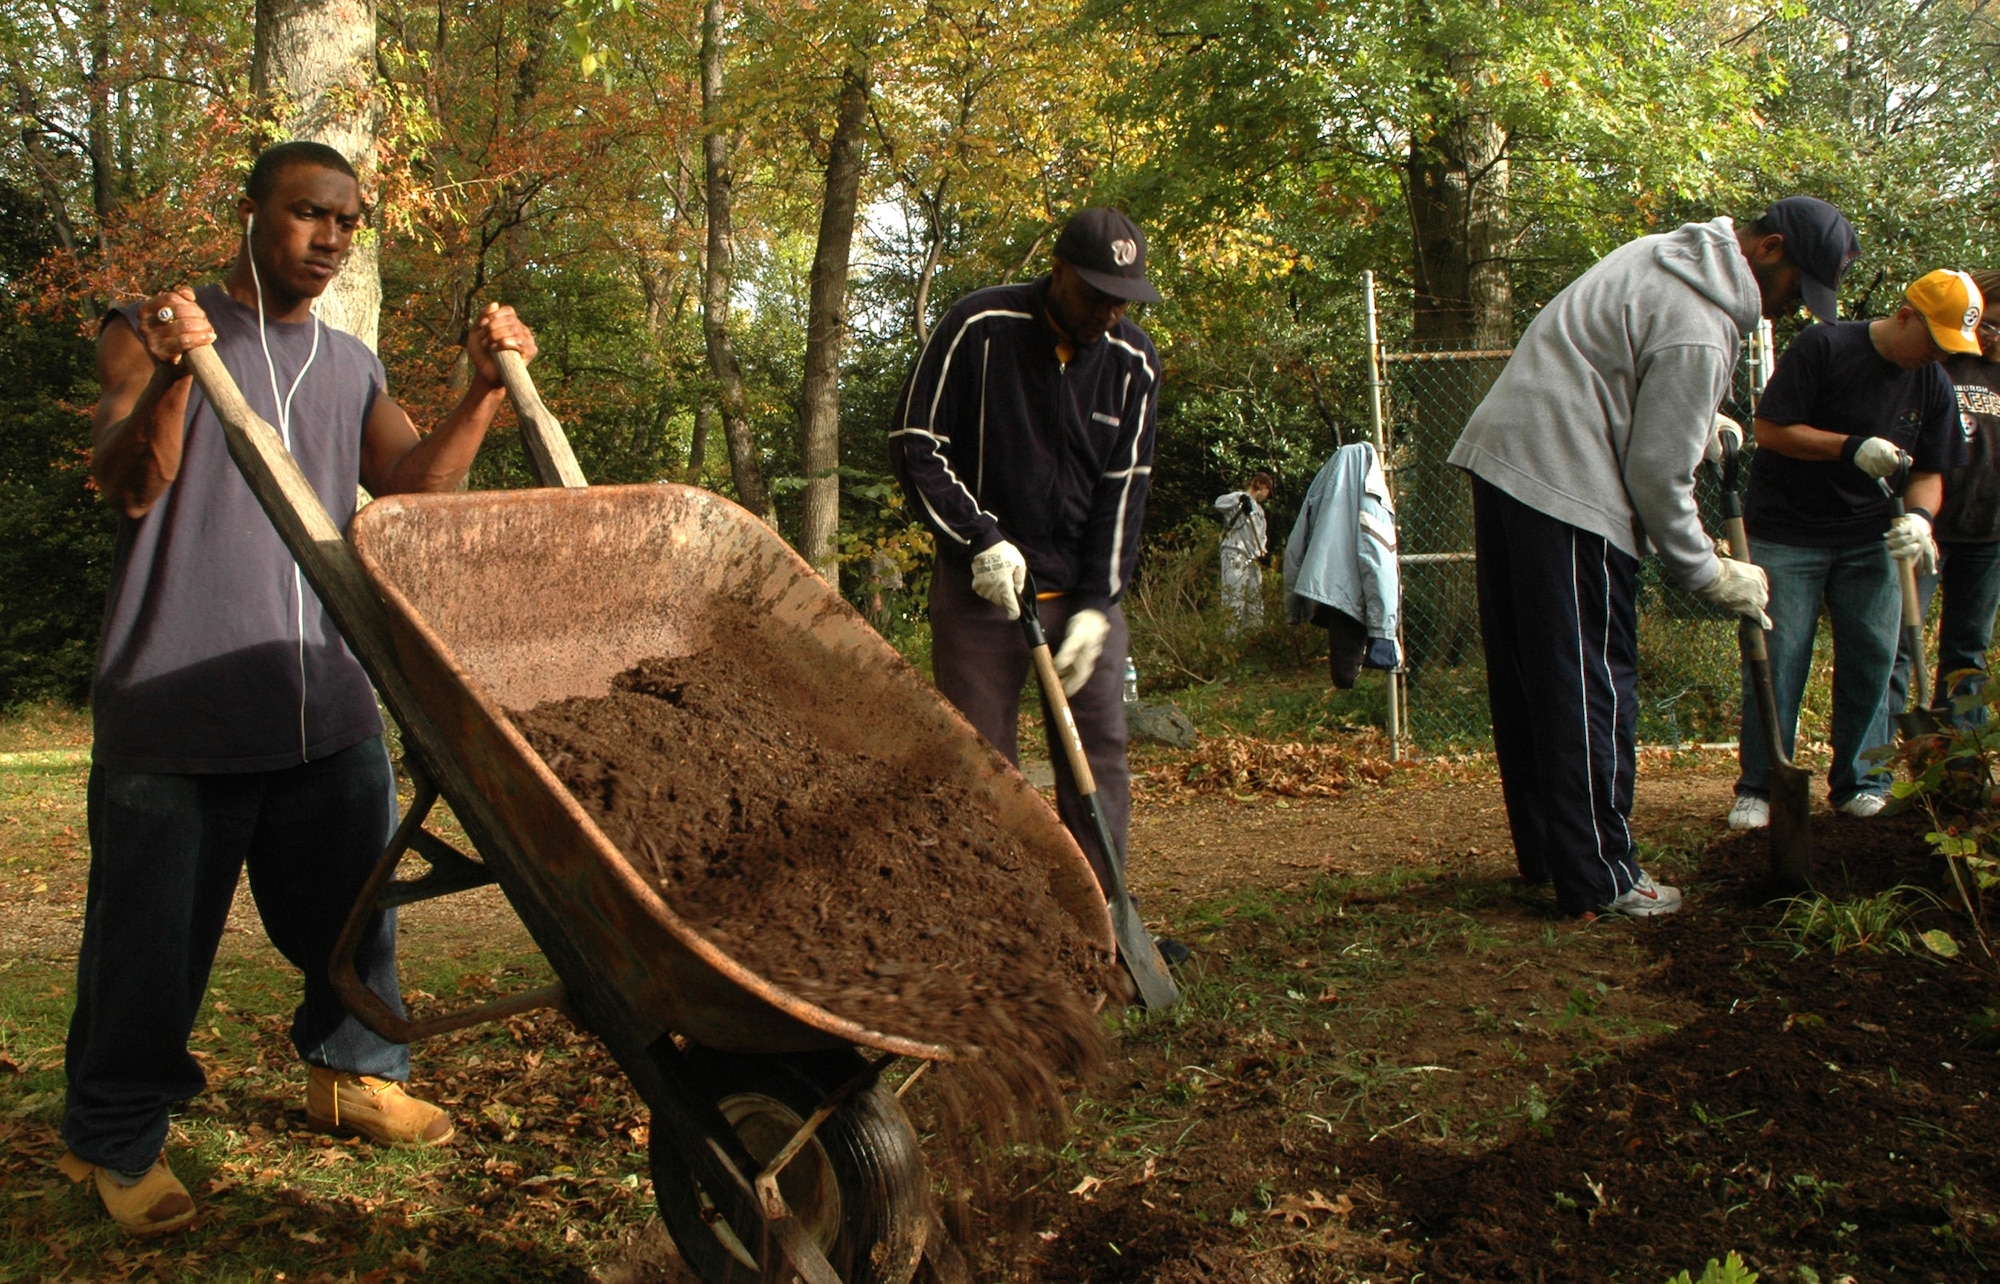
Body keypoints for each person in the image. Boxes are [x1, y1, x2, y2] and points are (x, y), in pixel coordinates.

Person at [61, 140, 539, 1236]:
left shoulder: (348, 363)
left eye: (346, 223)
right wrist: (180, 376)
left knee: (351, 920)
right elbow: (128, 480)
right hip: (176, 706)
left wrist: (475, 392)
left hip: (325, 698)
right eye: (307, 215)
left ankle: (351, 1070)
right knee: (148, 946)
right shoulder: (151, 327)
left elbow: (411, 496)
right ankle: (118, 1135)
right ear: (251, 214)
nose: (327, 239)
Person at [1448, 195, 1858, 920]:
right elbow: (1656, 476)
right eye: (1797, 289)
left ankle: (1554, 853)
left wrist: (1703, 421)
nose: (1788, 311)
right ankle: (1603, 873)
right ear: (1768, 252)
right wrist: (1710, 572)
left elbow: (1622, 371)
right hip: (1567, 481)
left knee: (1537, 680)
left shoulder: (1664, 256)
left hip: (1508, 463)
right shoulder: (1701, 324)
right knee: (1590, 683)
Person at [889, 207, 1178, 957]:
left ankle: (1096, 917)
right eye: (1095, 296)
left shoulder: (1133, 364)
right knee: (983, 761)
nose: (1109, 314)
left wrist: (1097, 606)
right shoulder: (977, 327)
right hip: (983, 590)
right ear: (1058, 273)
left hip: (1076, 594)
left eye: (1122, 300)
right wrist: (979, 539)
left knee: (1100, 751)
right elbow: (916, 444)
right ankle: (997, 921)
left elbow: (1125, 494)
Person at [1729, 269, 1978, 829]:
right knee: (1778, 662)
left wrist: (1920, 518)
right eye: (1933, 340)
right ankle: (1761, 787)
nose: (1937, 355)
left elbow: (1931, 472)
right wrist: (1849, 448)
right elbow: (1770, 429)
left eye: (1948, 348)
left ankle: (1861, 782)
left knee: (1873, 660)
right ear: (1906, 315)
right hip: (1787, 533)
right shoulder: (1824, 345)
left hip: (1872, 540)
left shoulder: (1931, 381)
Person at [1885, 269, 2000, 728]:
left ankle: (1960, 768)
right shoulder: (1934, 360)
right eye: (1988, 325)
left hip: (1988, 530)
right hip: (1924, 526)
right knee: (1895, 642)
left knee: (1969, 648)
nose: (1992, 339)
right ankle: (1880, 768)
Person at [1214, 472, 1273, 632]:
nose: (1268, 496)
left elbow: (1261, 537)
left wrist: (1264, 555)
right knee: (1234, 601)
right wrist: (1240, 500)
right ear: (1260, 485)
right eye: (1268, 490)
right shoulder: (1238, 498)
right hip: (1235, 554)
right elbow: (1218, 503)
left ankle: (1252, 645)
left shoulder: (1260, 512)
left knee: (1255, 605)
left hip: (1253, 560)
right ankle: (1229, 644)